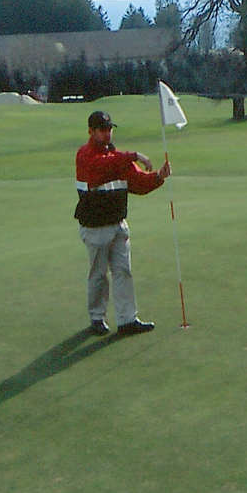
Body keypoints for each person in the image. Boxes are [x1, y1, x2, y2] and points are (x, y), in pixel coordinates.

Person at [75, 110, 171, 335]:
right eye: (102, 130)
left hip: (118, 223)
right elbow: (101, 168)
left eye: (109, 129)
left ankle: (127, 319)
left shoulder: (117, 157)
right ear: (91, 131)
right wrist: (134, 155)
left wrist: (158, 177)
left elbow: (137, 183)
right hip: (95, 227)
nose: (107, 134)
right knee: (98, 275)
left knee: (123, 272)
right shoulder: (85, 155)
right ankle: (97, 318)